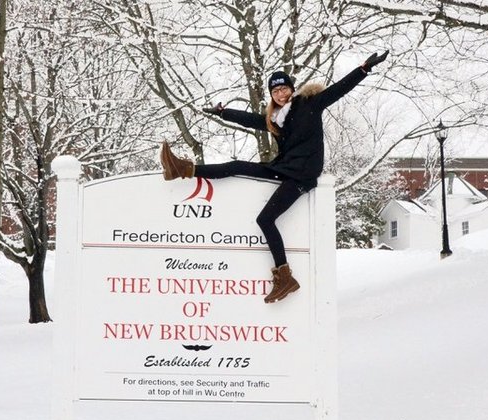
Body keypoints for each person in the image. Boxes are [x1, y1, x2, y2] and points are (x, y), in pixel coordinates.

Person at [160, 51, 388, 304]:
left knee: (265, 219)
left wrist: (363, 68)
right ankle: (182, 170)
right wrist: (224, 112)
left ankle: (285, 277)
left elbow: (339, 89)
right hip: (284, 167)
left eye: (284, 89)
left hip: (302, 175)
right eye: (275, 91)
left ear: (291, 89)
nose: (280, 94)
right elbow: (251, 120)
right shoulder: (276, 119)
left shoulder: (310, 104)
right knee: (237, 165)